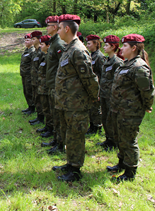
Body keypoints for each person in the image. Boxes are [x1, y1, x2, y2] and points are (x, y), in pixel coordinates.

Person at [52, 14, 99, 182]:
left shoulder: (78, 50)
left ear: (67, 28)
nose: (57, 31)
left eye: (59, 28)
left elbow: (89, 78)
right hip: (67, 102)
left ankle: (76, 170)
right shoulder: (69, 48)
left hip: (76, 103)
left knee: (76, 135)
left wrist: (94, 97)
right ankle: (70, 163)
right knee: (70, 134)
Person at [107, 34, 155, 182]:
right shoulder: (125, 63)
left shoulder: (139, 67)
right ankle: (122, 163)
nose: (122, 48)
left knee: (128, 140)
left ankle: (130, 171)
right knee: (119, 137)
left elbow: (147, 90)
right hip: (118, 109)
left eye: (125, 46)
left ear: (134, 48)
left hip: (130, 111)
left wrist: (147, 106)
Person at [40, 16, 65, 155]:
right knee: (54, 116)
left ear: (55, 27)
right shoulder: (53, 43)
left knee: (58, 117)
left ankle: (60, 144)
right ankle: (56, 140)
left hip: (57, 86)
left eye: (49, 25)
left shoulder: (59, 44)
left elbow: (62, 67)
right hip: (51, 85)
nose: (47, 28)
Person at [98, 35, 124, 151]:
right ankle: (108, 139)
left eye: (106, 45)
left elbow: (118, 82)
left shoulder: (117, 62)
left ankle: (113, 142)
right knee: (104, 118)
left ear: (113, 47)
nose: (104, 47)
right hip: (104, 93)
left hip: (111, 96)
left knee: (111, 119)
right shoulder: (106, 60)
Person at [85, 35, 106, 135]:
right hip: (91, 86)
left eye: (89, 43)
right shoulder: (91, 55)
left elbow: (103, 74)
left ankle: (97, 127)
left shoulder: (100, 57)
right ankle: (92, 125)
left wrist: (99, 89)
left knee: (96, 108)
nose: (87, 45)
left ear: (96, 44)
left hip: (97, 86)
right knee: (91, 108)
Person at [36, 35, 52, 133]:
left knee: (49, 109)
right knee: (45, 108)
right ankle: (47, 126)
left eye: (42, 44)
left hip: (47, 87)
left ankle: (50, 128)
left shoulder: (50, 57)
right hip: (42, 86)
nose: (40, 46)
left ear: (48, 45)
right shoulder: (45, 56)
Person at [29, 30, 44, 124]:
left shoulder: (42, 52)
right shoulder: (35, 51)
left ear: (39, 39)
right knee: (36, 98)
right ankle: (38, 116)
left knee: (40, 100)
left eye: (34, 39)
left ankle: (41, 118)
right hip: (34, 79)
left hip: (40, 80)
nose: (32, 41)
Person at [20, 33, 35, 114]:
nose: (26, 42)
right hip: (24, 74)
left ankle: (32, 108)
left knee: (30, 91)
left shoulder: (32, 51)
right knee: (26, 91)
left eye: (28, 40)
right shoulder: (26, 50)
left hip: (29, 75)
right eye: (25, 40)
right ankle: (29, 106)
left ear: (32, 41)